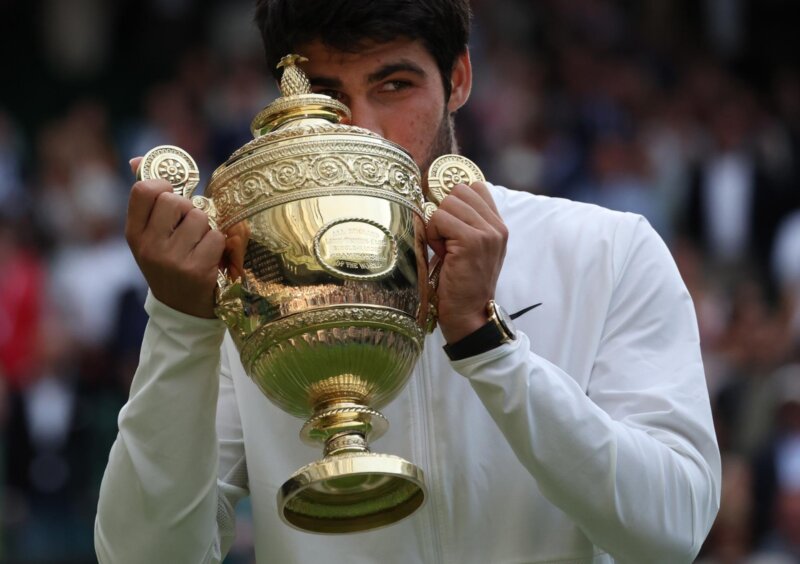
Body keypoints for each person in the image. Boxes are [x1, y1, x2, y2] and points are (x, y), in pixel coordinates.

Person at [94, 1, 721, 562]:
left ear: (459, 80)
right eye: (328, 94)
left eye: (394, 85)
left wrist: (487, 345)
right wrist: (180, 324)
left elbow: (671, 532)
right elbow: (141, 555)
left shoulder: (606, 249)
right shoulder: (249, 282)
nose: (362, 128)